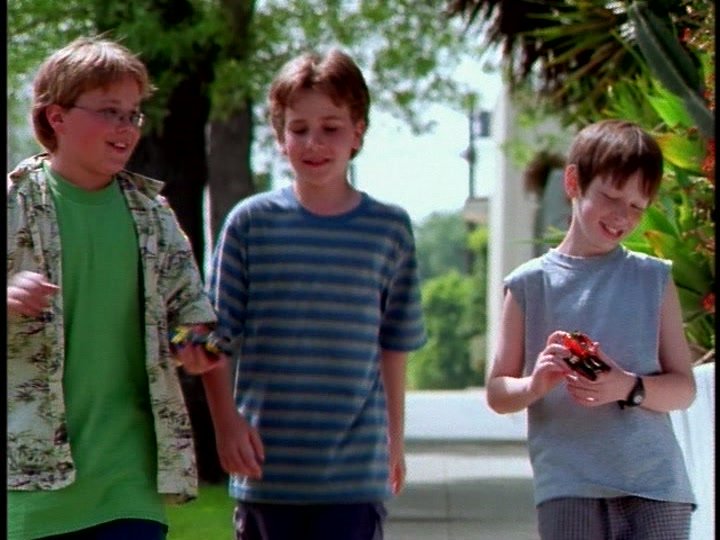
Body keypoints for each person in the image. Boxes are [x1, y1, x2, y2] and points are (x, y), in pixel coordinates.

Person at [202, 49, 426, 540]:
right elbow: (212, 335)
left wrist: (395, 441)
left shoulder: (388, 229)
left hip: (354, 474)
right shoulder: (250, 224)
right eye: (298, 128)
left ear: (357, 132)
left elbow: (394, 344)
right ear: (280, 137)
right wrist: (226, 423)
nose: (314, 143)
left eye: (331, 127)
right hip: (267, 470)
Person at [7, 36, 224, 540]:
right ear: (57, 117)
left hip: (129, 480)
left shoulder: (153, 216)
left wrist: (197, 346)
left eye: (132, 114)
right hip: (27, 480)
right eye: (109, 112)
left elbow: (193, 317)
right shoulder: (15, 204)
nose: (126, 127)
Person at [488, 119, 696, 539]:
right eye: (611, 197)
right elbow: (497, 391)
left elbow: (683, 389)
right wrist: (535, 384)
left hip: (656, 487)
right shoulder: (529, 285)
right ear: (573, 182)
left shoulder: (654, 279)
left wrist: (627, 386)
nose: (622, 216)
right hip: (569, 487)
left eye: (637, 206)